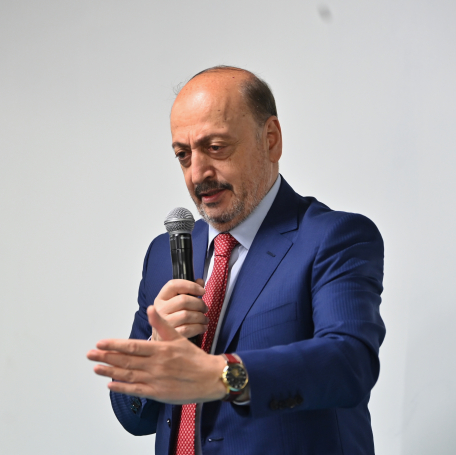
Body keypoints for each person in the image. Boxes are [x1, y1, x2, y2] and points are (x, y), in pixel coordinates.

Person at [87, 66, 385, 455]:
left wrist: (221, 375)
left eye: (215, 147)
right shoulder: (163, 254)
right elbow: (135, 419)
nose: (197, 174)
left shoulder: (333, 237)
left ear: (271, 140)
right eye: (183, 155)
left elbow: (348, 365)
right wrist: (157, 347)